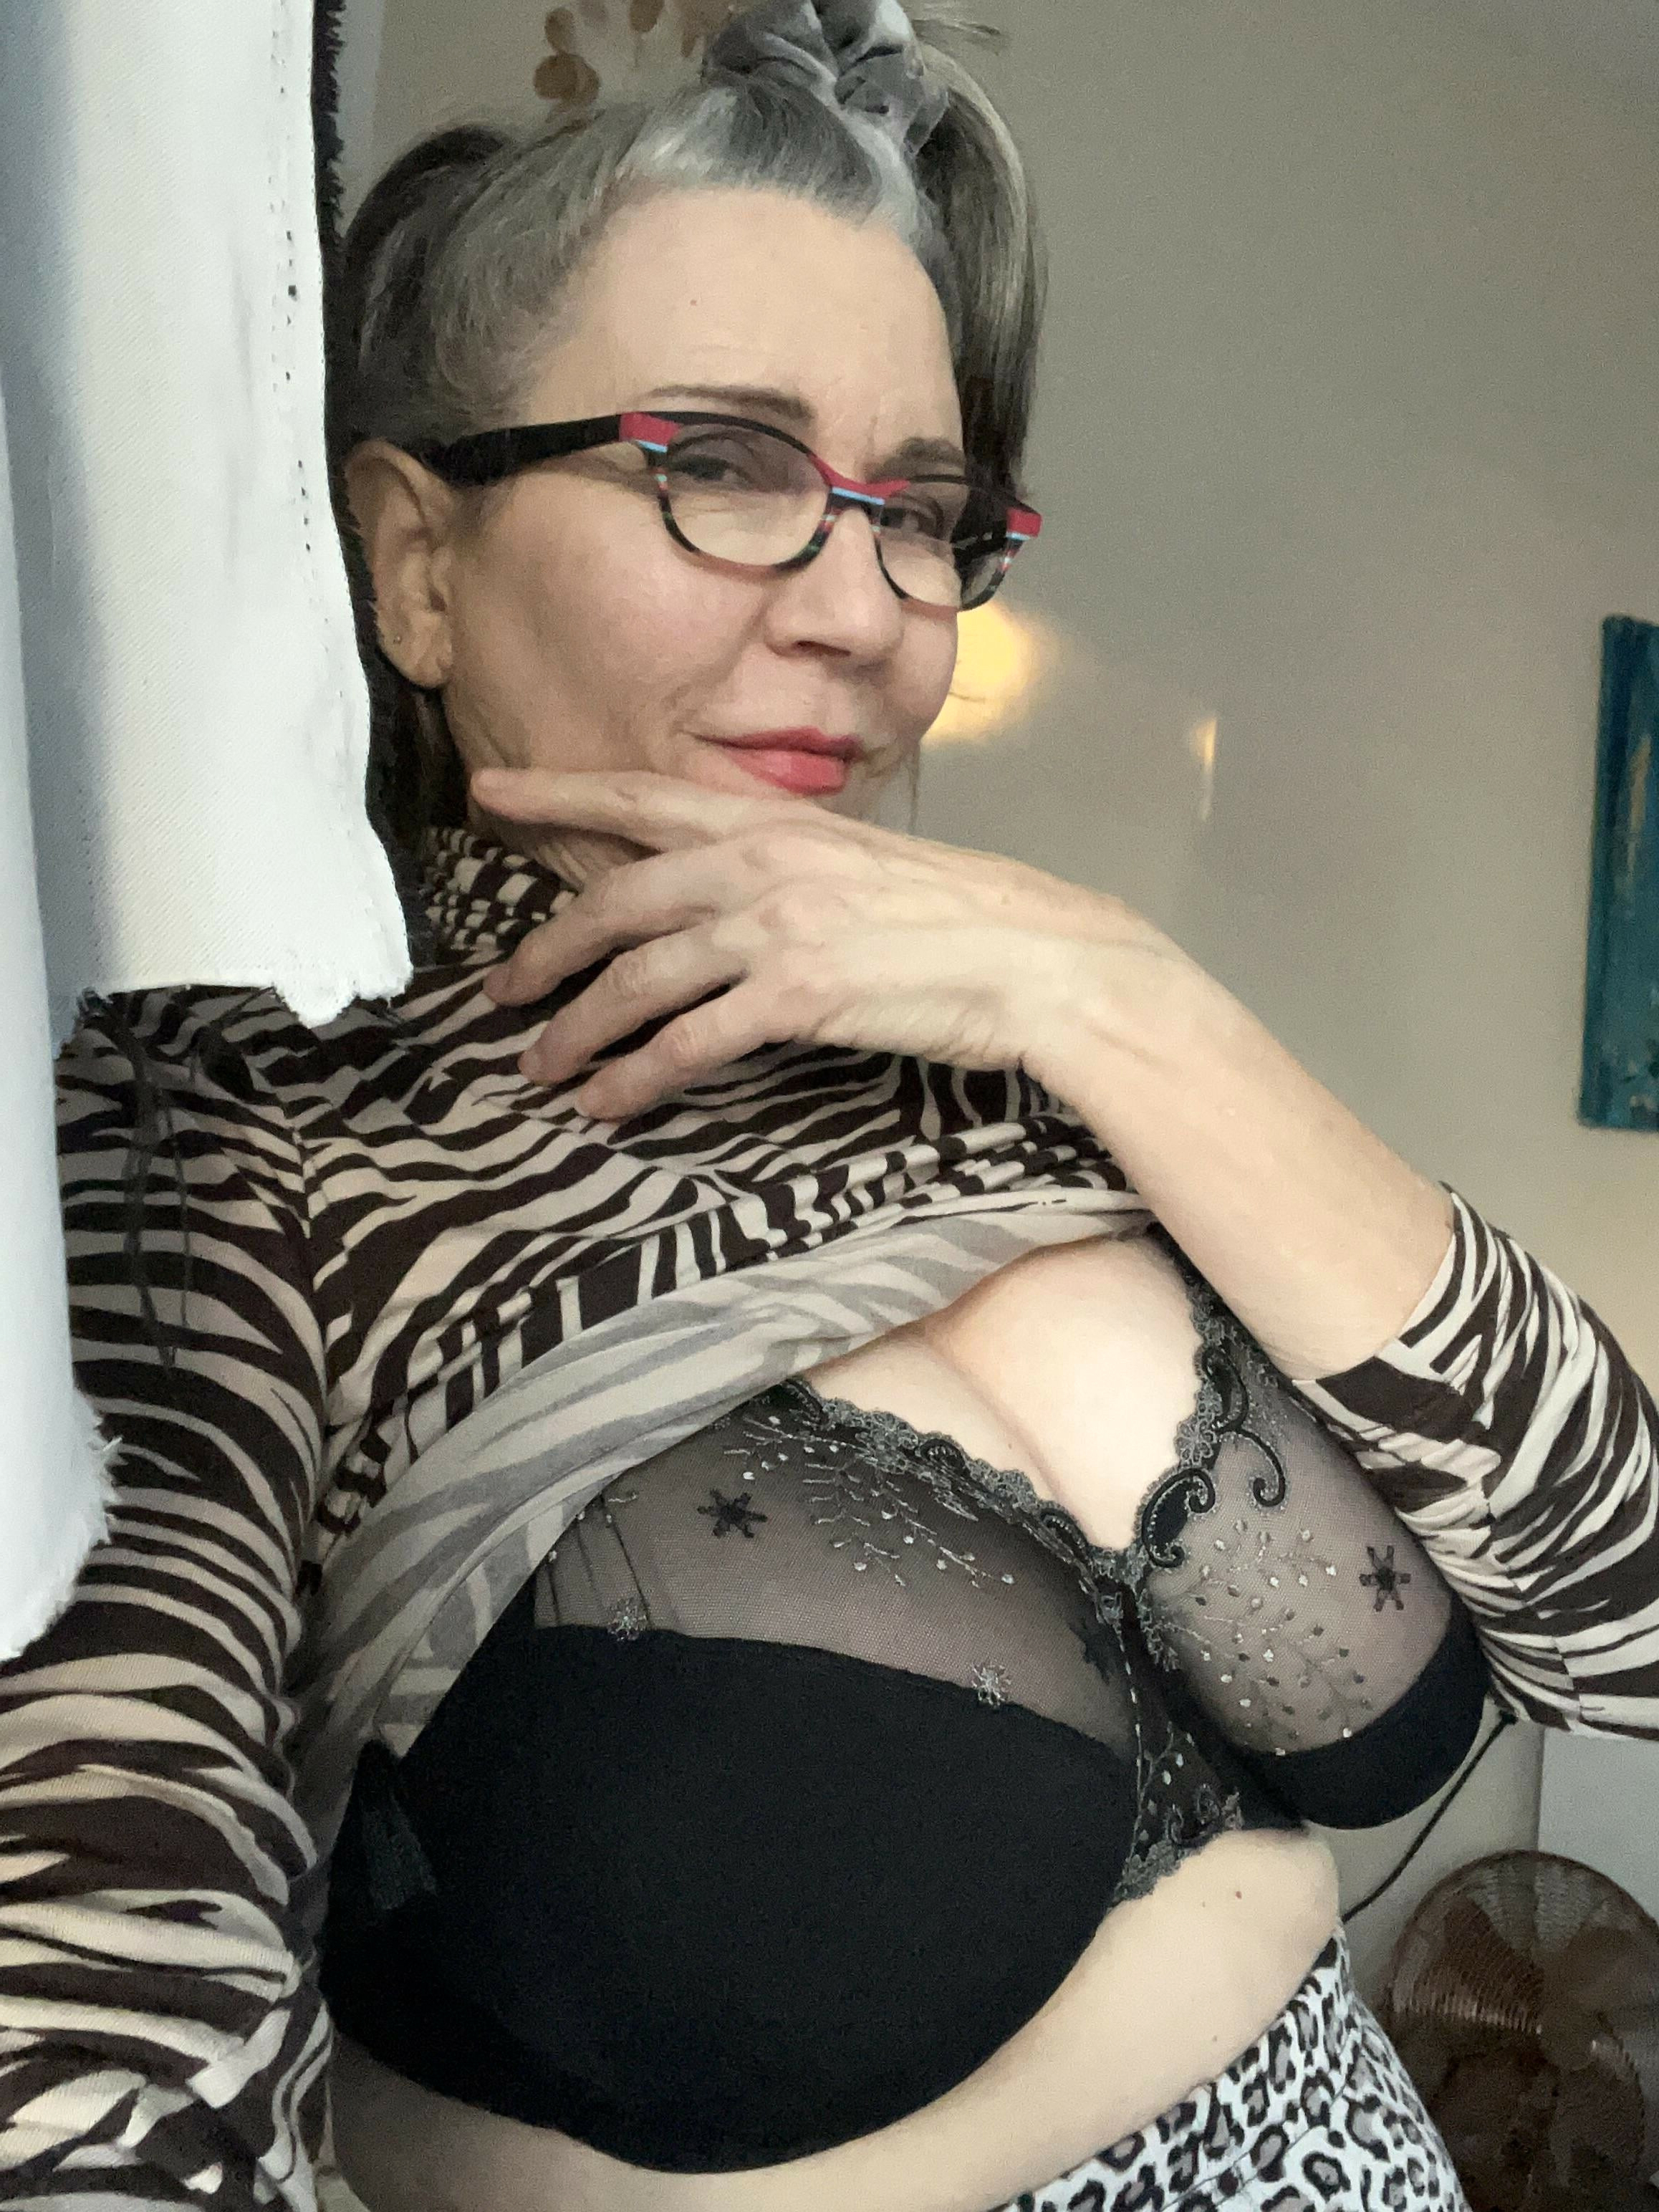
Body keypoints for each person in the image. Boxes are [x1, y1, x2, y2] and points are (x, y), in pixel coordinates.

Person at [4, 4, 1656, 2208]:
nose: (867, 613)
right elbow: (100, 2060)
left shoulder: (1026, 1059)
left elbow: (1627, 1621)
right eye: (720, 463)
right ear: (415, 562)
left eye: (924, 512)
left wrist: (1121, 991)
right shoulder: (235, 1143)